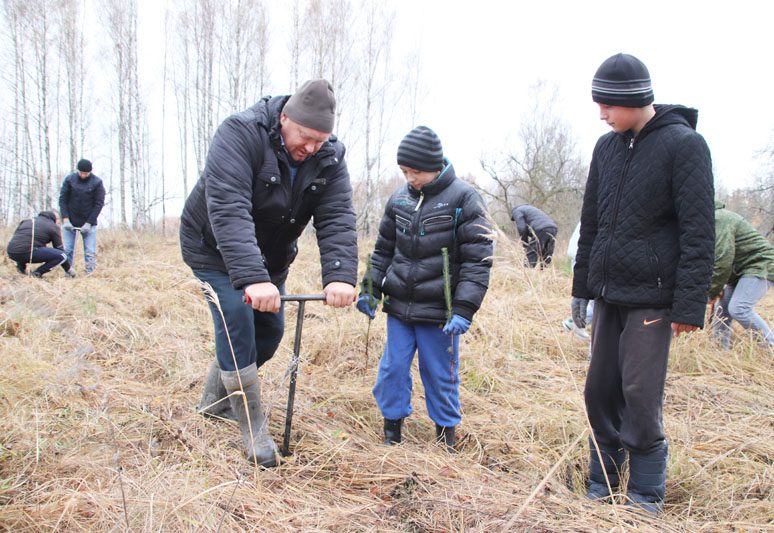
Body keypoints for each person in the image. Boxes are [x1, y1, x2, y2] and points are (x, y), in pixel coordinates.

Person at [179, 79, 358, 467]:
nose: (311, 148)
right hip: (213, 247)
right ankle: (253, 428)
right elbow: (228, 207)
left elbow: (338, 217)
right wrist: (251, 277)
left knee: (270, 333)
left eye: (320, 140)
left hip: (271, 257)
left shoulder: (329, 158)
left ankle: (214, 401)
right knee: (237, 321)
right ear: (284, 118)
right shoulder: (240, 134)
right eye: (305, 137)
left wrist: (340, 275)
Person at [571, 53, 715, 514]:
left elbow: (699, 232)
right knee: (599, 389)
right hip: (610, 293)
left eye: (608, 104)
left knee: (638, 391)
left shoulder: (684, 145)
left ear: (634, 99)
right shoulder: (606, 148)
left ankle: (645, 494)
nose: (601, 113)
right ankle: (603, 481)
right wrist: (581, 288)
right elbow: (590, 221)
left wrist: (690, 306)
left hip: (654, 297)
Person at [356, 126, 493, 451]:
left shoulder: (464, 198)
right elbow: (384, 249)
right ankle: (392, 434)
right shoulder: (399, 198)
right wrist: (371, 289)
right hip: (400, 308)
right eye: (405, 171)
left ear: (435, 165)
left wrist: (464, 308)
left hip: (440, 314)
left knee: (440, 375)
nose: (410, 178)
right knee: (392, 370)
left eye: (415, 171)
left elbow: (478, 261)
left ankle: (445, 439)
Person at [709, 201, 774, 349]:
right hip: (740, 272)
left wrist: (713, 289)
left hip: (761, 265)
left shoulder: (720, 219)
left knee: (739, 308)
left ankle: (771, 345)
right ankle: (719, 352)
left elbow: (723, 258)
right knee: (722, 311)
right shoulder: (707, 222)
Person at [58, 159, 106, 275]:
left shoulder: (97, 183)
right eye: (81, 173)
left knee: (90, 251)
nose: (83, 175)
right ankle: (68, 273)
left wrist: (89, 222)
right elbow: (63, 199)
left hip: (88, 222)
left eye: (86, 173)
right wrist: (65, 219)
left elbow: (98, 204)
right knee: (68, 249)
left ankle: (90, 273)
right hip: (70, 220)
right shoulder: (70, 180)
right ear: (78, 171)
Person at [7, 210, 76, 278]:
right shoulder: (53, 227)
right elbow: (60, 250)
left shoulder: (27, 221)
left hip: (11, 251)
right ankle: (37, 273)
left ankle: (21, 270)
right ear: (54, 218)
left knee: (23, 246)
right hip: (27, 252)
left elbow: (19, 239)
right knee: (62, 255)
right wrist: (68, 269)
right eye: (58, 219)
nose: (58, 221)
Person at [562, 221, 593, 341]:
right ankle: (573, 323)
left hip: (580, 255)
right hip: (585, 257)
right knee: (596, 301)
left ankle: (573, 323)